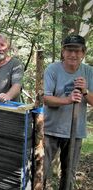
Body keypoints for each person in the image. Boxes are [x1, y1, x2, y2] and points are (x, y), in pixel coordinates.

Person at [43, 34, 93, 189]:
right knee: (41, 170)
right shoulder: (53, 69)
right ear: (63, 52)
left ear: (83, 53)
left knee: (69, 173)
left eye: (77, 51)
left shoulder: (89, 72)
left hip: (75, 132)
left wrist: (85, 91)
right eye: (69, 50)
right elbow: (46, 98)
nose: (73, 54)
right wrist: (68, 100)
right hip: (50, 130)